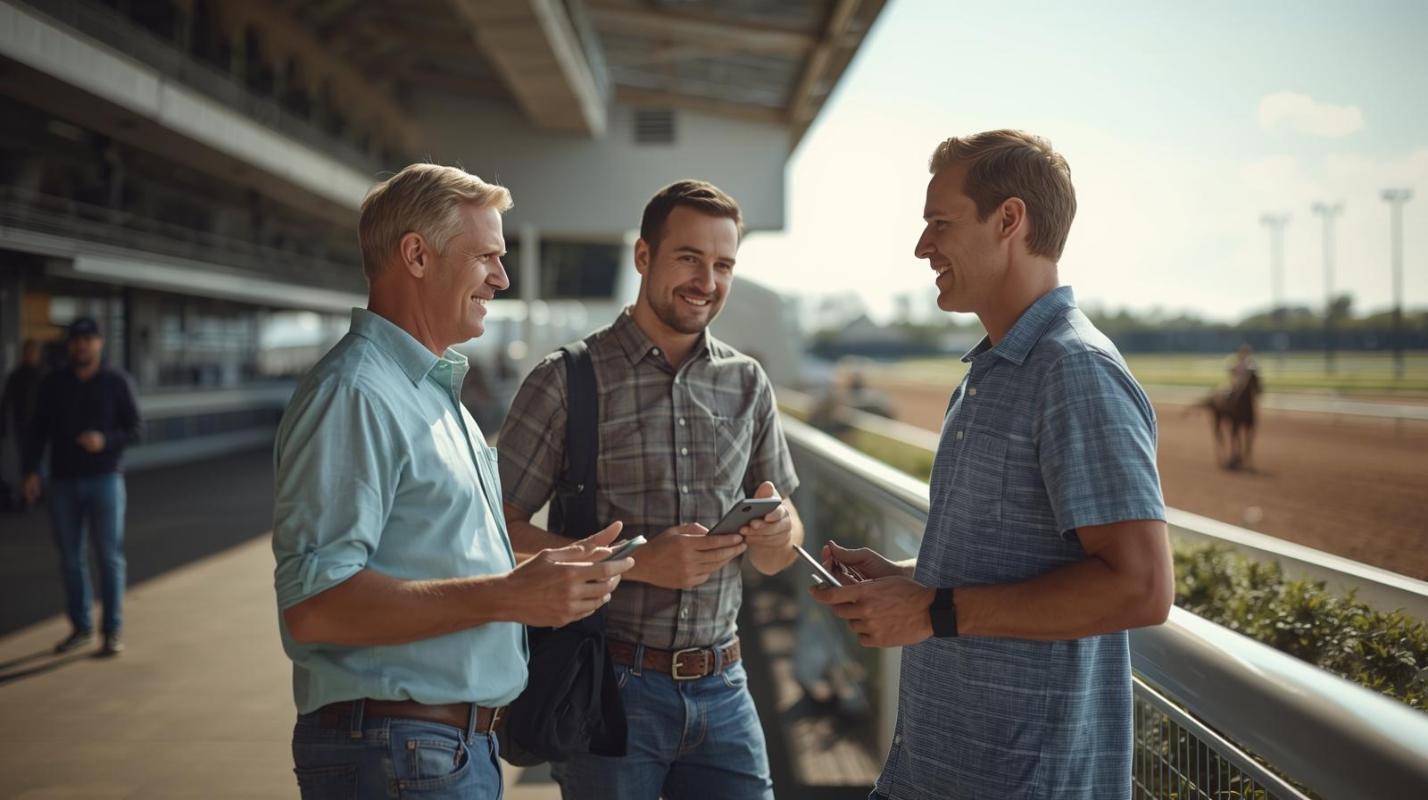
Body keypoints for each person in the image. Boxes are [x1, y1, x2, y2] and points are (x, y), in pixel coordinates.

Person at [811, 130, 1173, 800]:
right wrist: (907, 580)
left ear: (1009, 220)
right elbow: (1010, 563)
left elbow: (1142, 588)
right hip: (932, 773)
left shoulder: (1076, 371)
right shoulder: (990, 371)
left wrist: (932, 610)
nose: (922, 247)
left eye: (940, 224)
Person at [271, 163, 634, 799]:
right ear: (417, 255)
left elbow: (437, 557)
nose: (502, 278)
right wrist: (507, 596)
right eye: (486, 256)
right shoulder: (356, 393)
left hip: (439, 751)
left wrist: (544, 575)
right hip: (400, 753)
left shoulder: (432, 396)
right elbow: (315, 606)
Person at [499, 180, 805, 799]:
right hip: (606, 688)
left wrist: (778, 531)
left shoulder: (748, 382)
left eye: (723, 265)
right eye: (689, 258)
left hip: (726, 686)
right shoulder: (564, 380)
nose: (707, 281)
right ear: (644, 257)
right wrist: (638, 564)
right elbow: (494, 533)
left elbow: (781, 550)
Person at [22, 319, 142, 656]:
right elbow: (37, 430)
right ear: (70, 344)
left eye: (88, 338)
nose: (82, 344)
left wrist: (105, 441)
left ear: (99, 342)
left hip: (106, 480)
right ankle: (81, 627)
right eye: (77, 339)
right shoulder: (53, 383)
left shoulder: (117, 381)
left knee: (109, 558)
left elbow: (137, 430)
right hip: (63, 483)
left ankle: (112, 631)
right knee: (71, 560)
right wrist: (30, 471)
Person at [1, 339, 46, 510]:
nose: (30, 356)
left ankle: (36, 491)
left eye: (33, 353)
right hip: (22, 424)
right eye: (28, 353)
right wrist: (3, 423)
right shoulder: (17, 375)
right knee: (26, 458)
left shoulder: (44, 375)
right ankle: (31, 493)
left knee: (38, 458)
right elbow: (6, 400)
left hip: (41, 424)